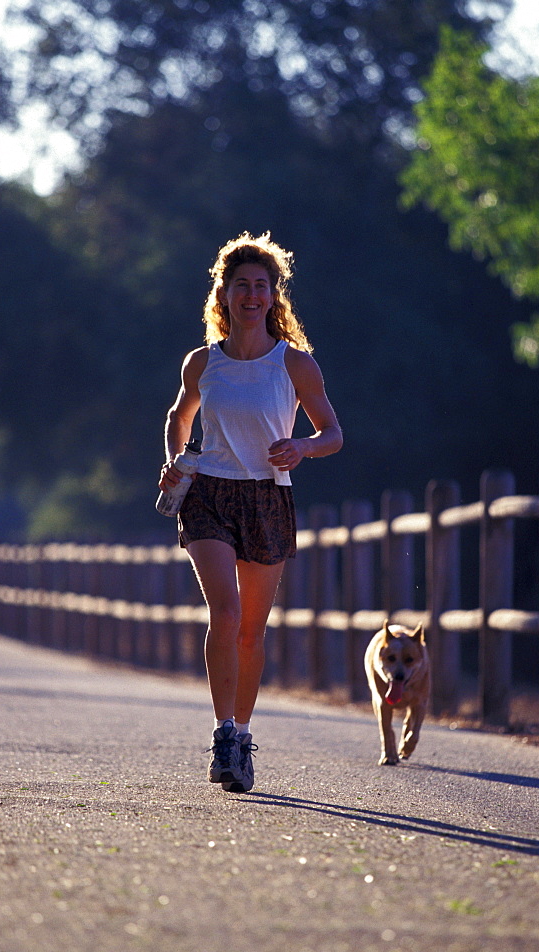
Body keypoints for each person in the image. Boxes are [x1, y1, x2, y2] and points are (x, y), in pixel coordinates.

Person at [158, 232, 343, 793]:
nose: (252, 296)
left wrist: (302, 448)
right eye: (242, 286)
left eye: (262, 287)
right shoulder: (202, 362)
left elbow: (332, 432)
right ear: (225, 294)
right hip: (210, 493)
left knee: (251, 633)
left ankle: (241, 734)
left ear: (273, 297)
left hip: (268, 496)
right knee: (228, 616)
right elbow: (178, 417)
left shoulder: (294, 364)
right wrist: (174, 460)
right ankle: (220, 733)